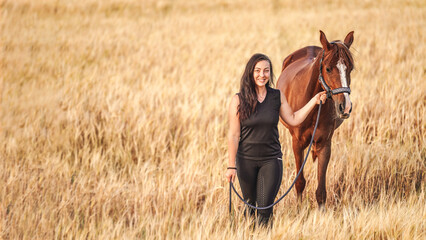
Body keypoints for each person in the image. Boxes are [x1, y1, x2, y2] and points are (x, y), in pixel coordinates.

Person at [226, 53, 327, 227]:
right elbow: (234, 135)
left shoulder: (276, 96)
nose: (262, 75)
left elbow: (294, 118)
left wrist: (314, 101)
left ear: (270, 73)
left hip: (271, 161)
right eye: (257, 71)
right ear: (250, 72)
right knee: (250, 208)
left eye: (266, 71)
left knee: (265, 210)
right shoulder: (238, 100)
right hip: (245, 161)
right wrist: (231, 166)